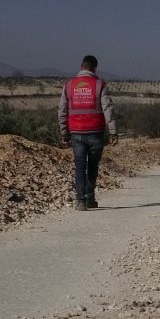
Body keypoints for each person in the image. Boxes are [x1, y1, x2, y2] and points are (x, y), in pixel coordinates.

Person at [58, 55, 117, 210]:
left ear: (81, 66)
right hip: (96, 132)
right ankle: (90, 198)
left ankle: (80, 201)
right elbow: (108, 109)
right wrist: (113, 132)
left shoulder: (69, 85)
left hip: (76, 132)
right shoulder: (99, 84)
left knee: (79, 166)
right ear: (95, 68)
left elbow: (62, 111)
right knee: (92, 166)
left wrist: (64, 133)